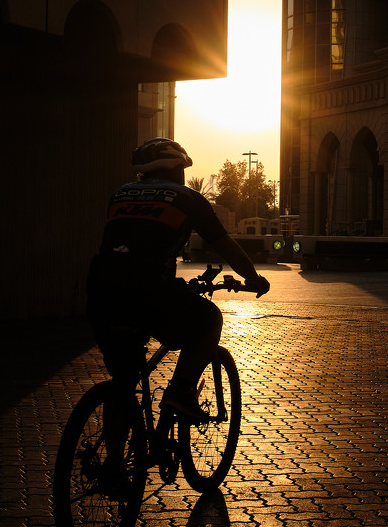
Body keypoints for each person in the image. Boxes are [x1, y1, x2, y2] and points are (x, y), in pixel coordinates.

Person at [86, 138, 270, 420]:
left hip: (102, 293)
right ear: (175, 168)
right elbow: (225, 245)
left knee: (123, 381)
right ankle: (182, 391)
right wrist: (254, 278)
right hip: (149, 292)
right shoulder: (188, 199)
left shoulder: (120, 194)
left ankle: (112, 461)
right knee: (209, 319)